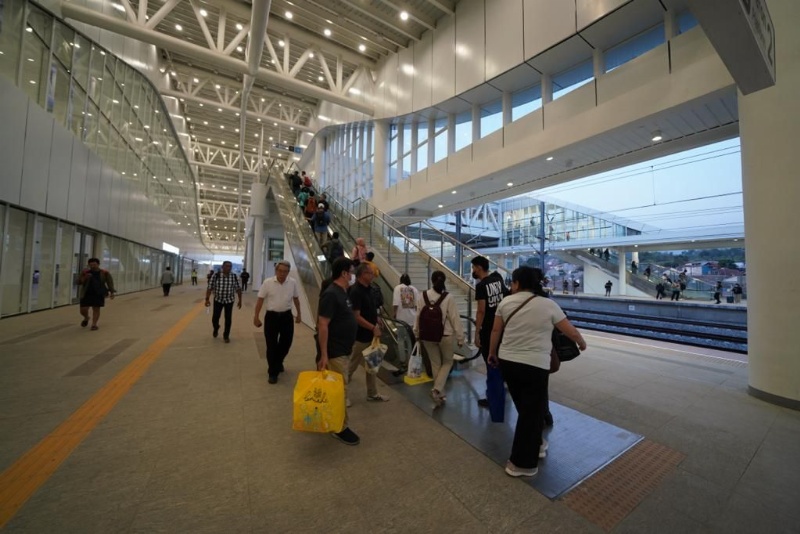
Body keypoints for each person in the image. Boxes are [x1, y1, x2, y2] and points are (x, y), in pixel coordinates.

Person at [488, 266, 586, 478]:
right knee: (531, 412)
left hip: (508, 362)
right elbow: (569, 330)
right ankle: (521, 464)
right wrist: (581, 342)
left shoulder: (505, 302)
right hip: (535, 365)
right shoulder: (548, 304)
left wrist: (491, 353)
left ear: (516, 284)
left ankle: (538, 444)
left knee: (526, 409)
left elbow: (496, 330)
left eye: (512, 283)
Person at [317, 257, 360, 445]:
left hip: (344, 348)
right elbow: (323, 325)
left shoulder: (344, 292)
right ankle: (340, 427)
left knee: (338, 388)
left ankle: (333, 421)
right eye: (351, 271)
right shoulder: (331, 294)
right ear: (343, 273)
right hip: (335, 351)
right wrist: (324, 355)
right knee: (339, 391)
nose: (353, 275)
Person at [415, 270, 465, 407]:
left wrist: (416, 333)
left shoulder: (422, 295)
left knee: (435, 363)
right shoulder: (448, 297)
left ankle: (439, 394)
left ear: (432, 281)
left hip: (426, 336)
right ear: (444, 281)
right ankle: (437, 390)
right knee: (448, 362)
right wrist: (460, 338)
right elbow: (455, 318)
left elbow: (418, 316)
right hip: (445, 335)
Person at [347, 263, 390, 403]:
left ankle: (372, 393)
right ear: (362, 275)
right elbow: (356, 316)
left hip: (372, 335)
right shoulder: (355, 292)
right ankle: (339, 395)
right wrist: (372, 327)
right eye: (370, 273)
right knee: (351, 365)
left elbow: (370, 308)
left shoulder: (369, 289)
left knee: (373, 365)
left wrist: (377, 319)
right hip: (360, 335)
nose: (373, 275)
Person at [253, 261, 301, 384]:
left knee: (286, 343)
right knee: (271, 345)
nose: (282, 273)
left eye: (285, 271)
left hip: (286, 317)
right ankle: (273, 372)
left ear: (288, 272)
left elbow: (296, 298)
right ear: (276, 271)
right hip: (271, 317)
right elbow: (260, 300)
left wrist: (299, 314)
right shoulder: (268, 283)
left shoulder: (292, 283)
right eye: (280, 271)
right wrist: (256, 316)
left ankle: (278, 362)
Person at [471, 256, 508, 408]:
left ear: (479, 267)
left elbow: (481, 311)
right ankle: (501, 389)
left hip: (488, 331)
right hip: (502, 328)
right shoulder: (498, 281)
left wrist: (477, 332)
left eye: (473, 267)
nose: (472, 270)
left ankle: (493, 397)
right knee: (500, 361)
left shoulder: (481, 286)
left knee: (490, 363)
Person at [205, 261, 242, 343]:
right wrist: (207, 299)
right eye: (227, 266)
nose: (228, 268)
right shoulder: (216, 276)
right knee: (215, 318)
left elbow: (238, 289)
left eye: (230, 266)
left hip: (229, 301)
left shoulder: (234, 276)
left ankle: (226, 335)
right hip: (218, 300)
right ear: (222, 267)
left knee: (228, 319)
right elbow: (209, 288)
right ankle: (216, 327)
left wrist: (240, 300)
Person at [78, 258, 116, 331]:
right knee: (83, 309)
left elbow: (110, 282)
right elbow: (78, 282)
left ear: (98, 264)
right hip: (86, 293)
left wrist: (112, 292)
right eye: (91, 265)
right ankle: (86, 317)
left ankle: (94, 324)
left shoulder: (104, 273)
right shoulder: (85, 272)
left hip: (98, 293)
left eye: (94, 264)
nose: (92, 266)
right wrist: (85, 277)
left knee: (96, 309)